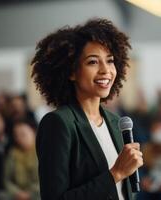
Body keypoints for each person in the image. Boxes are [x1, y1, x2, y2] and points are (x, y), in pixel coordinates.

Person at [31, 18, 143, 200]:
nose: (105, 70)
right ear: (71, 71)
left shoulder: (115, 122)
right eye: (93, 62)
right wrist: (115, 173)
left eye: (110, 60)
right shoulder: (59, 123)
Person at [0, 121, 39, 200]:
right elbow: (7, 180)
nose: (19, 138)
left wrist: (29, 194)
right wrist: (17, 193)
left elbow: (45, 180)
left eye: (23, 134)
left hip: (37, 193)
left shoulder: (42, 151)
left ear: (33, 132)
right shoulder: (12, 154)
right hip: (17, 194)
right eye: (16, 135)